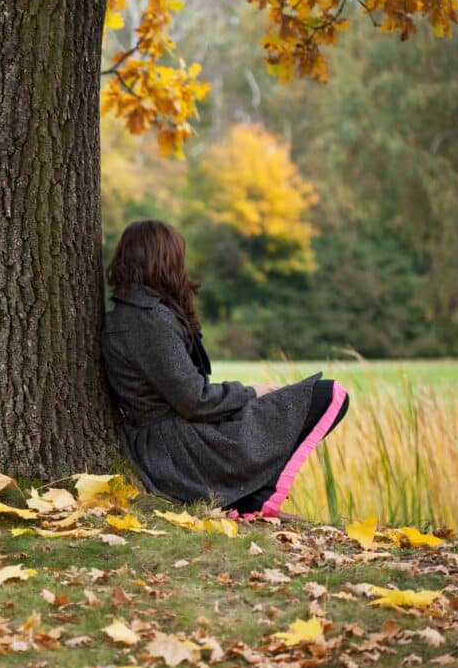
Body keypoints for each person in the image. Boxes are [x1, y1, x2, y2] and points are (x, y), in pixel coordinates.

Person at [102, 220, 348, 519]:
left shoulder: (135, 314)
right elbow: (194, 400)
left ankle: (251, 495)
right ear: (164, 260)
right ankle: (251, 497)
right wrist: (252, 392)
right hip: (178, 449)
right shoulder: (148, 320)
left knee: (299, 401)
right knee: (326, 394)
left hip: (176, 438)